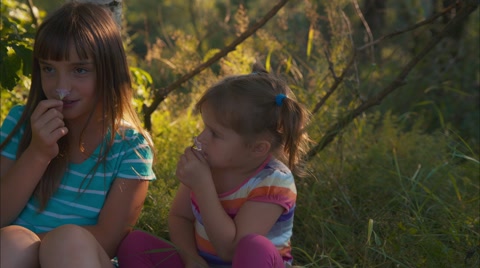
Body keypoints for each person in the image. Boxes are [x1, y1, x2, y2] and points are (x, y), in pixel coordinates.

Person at [0, 2, 156, 268]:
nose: (61, 88)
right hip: (13, 256)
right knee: (11, 242)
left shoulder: (130, 147)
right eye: (49, 69)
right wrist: (37, 154)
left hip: (80, 259)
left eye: (80, 70)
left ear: (109, 71)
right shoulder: (22, 123)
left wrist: (38, 251)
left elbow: (108, 240)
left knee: (67, 241)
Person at [117, 63, 311, 268]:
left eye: (216, 134)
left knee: (254, 248)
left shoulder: (274, 182)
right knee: (135, 243)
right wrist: (191, 259)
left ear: (257, 148)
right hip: (204, 263)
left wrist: (203, 186)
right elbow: (179, 217)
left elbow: (230, 251)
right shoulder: (207, 164)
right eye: (205, 127)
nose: (201, 138)